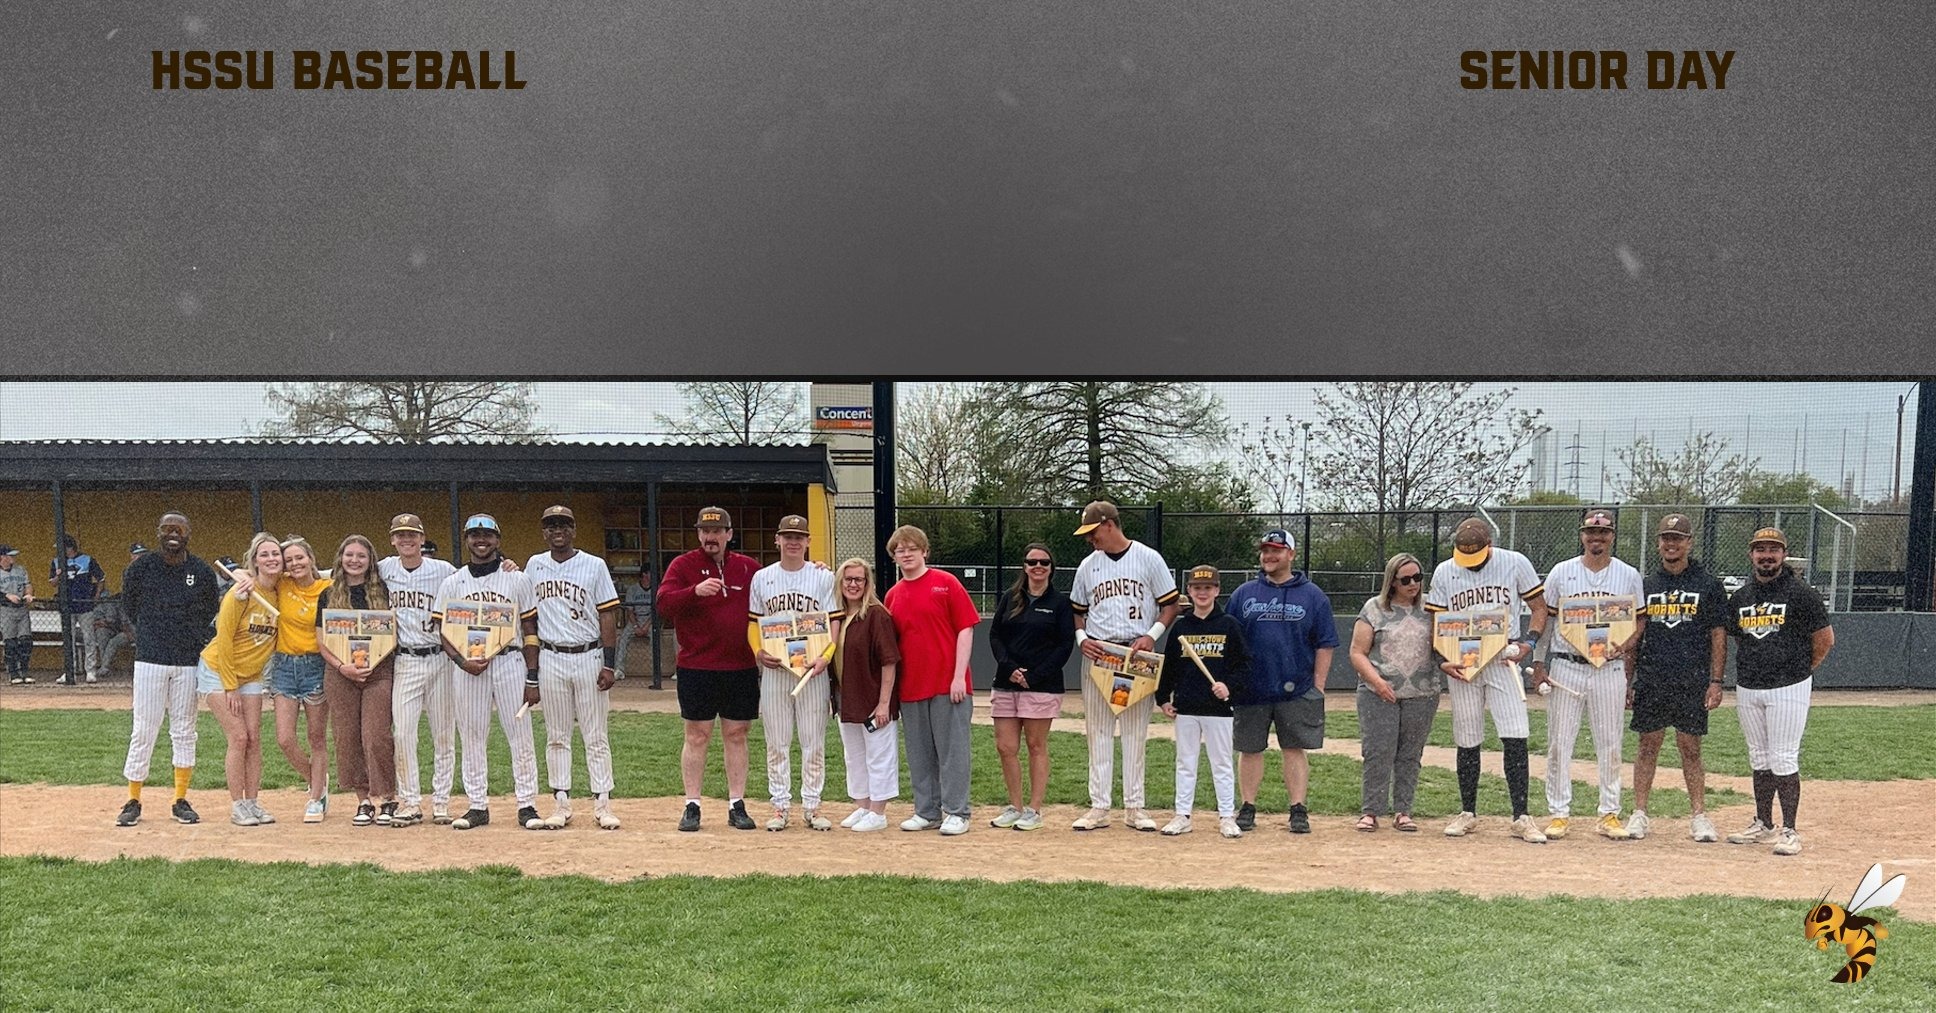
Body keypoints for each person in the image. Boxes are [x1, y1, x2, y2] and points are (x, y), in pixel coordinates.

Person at [1424, 517, 1549, 844]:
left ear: (1489, 545)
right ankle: (1468, 812)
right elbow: (1435, 620)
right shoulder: (1445, 571)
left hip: (1502, 657)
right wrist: (1442, 659)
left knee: (1515, 733)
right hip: (1462, 658)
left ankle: (1521, 816)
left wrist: (1529, 643)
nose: (1470, 563)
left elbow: (1539, 607)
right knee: (1467, 735)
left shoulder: (1514, 562)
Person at [1532, 509, 1645, 842]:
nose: (1597, 538)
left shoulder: (1627, 574)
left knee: (1610, 742)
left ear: (1612, 535)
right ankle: (1558, 813)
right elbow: (1547, 619)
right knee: (1559, 742)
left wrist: (1623, 650)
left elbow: (1639, 622)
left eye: (1604, 532)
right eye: (1590, 532)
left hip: (1609, 667)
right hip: (1567, 664)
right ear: (1582, 535)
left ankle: (1608, 812)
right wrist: (1540, 664)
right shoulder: (1562, 572)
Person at [1068, 501, 1180, 832]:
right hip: (1100, 652)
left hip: (1136, 651)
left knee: (1134, 733)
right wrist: (1080, 637)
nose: (1091, 540)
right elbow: (1077, 609)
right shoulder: (1088, 566)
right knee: (1098, 732)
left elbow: (1170, 604)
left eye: (1093, 532)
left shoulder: (1148, 558)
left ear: (1109, 525)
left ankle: (1135, 807)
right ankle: (1099, 807)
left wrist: (1152, 634)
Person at [1724, 526, 1834, 857]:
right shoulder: (1741, 597)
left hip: (1789, 685)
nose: (1767, 555)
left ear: (1784, 555)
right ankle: (1763, 822)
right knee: (1759, 757)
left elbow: (1825, 639)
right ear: (1751, 554)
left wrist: (1802, 669)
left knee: (1783, 757)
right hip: (1749, 685)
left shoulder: (1801, 593)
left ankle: (1790, 830)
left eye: (1773, 550)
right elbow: (1736, 637)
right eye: (1761, 549)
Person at [432, 514, 544, 832]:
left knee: (519, 734)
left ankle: (527, 804)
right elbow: (443, 631)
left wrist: (532, 675)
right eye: (474, 535)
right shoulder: (453, 582)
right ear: (466, 540)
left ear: (498, 539)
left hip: (509, 661)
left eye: (487, 535)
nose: (481, 540)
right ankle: (477, 805)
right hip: (469, 667)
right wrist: (460, 662)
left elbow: (530, 628)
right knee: (472, 735)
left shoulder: (517, 579)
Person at [657, 506, 762, 832]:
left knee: (736, 734)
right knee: (697, 735)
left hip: (740, 666)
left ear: (729, 534)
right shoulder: (683, 565)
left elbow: (778, 591)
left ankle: (736, 803)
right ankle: (692, 804)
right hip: (697, 666)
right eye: (704, 531)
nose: (710, 537)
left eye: (717, 531)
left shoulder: (748, 568)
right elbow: (662, 603)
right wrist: (693, 592)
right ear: (698, 533)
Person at [1227, 528, 1336, 835]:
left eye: (1276, 550)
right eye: (1265, 550)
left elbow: (1325, 644)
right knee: (1250, 749)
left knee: (1293, 749)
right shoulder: (1244, 594)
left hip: (1297, 688)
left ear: (1290, 554)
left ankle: (1298, 809)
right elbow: (1230, 639)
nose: (1269, 556)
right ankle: (1247, 806)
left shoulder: (1312, 596)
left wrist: (1319, 686)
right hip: (1251, 688)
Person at [1627, 513, 1728, 843]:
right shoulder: (1646, 585)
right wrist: (1628, 681)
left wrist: (1716, 681)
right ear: (1658, 543)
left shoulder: (1708, 584)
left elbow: (1718, 634)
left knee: (1690, 748)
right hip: (1653, 677)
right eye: (1665, 539)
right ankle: (1639, 812)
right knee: (1647, 745)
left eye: (1678, 538)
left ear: (1689, 542)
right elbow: (1634, 637)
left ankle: (1699, 815)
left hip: (1692, 678)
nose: (1671, 544)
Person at [116, 512, 220, 826]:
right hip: (150, 659)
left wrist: (191, 637)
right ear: (158, 532)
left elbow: (209, 608)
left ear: (189, 533)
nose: (173, 533)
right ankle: (133, 799)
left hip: (187, 661)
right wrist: (151, 633)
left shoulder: (201, 571)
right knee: (144, 729)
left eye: (180, 528)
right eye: (167, 528)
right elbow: (130, 606)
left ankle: (180, 799)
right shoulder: (142, 568)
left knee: (185, 730)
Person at [526, 505, 624, 831]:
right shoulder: (534, 565)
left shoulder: (594, 565)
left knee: (596, 735)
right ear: (543, 531)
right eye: (551, 525)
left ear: (574, 530)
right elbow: (527, 611)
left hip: (588, 653)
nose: (558, 530)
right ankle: (561, 803)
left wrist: (609, 664)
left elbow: (608, 615)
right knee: (557, 735)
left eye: (564, 525)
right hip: (551, 655)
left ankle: (602, 804)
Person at [881, 524, 979, 836]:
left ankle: (957, 812)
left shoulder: (945, 583)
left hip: (947, 685)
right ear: (894, 556)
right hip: (912, 687)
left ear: (925, 551)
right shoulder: (893, 595)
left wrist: (958, 677)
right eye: (900, 550)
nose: (906, 553)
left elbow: (966, 627)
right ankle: (927, 811)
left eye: (912, 548)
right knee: (920, 754)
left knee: (952, 752)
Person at [748, 514, 842, 831]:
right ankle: (780, 806)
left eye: (798, 536)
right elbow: (753, 624)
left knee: (813, 741)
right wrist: (758, 653)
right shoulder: (762, 577)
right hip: (776, 668)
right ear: (777, 539)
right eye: (787, 536)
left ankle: (812, 807)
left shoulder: (822, 577)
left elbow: (834, 621)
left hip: (811, 668)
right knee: (777, 741)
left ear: (808, 541)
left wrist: (826, 656)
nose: (792, 541)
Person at [1347, 552, 1441, 833]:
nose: (1413, 584)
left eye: (1418, 577)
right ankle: (1371, 811)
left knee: (1410, 754)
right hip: (1379, 693)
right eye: (1405, 580)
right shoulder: (1374, 609)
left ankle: (1403, 810)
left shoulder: (1431, 608)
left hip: (1422, 693)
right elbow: (1357, 652)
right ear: (1392, 582)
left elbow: (1442, 645)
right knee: (1378, 752)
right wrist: (1377, 682)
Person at [986, 542, 1074, 832]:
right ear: (1024, 566)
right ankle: (1015, 806)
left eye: (1044, 563)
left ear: (1051, 568)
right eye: (1032, 562)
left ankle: (1034, 810)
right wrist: (1010, 668)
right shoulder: (1010, 598)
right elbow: (995, 635)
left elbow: (1064, 646)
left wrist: (1034, 676)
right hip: (1006, 682)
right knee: (1005, 747)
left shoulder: (1060, 603)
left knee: (1036, 746)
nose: (1038, 567)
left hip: (1042, 685)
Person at [378, 513, 458, 826]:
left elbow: (477, 581)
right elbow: (341, 571)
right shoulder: (385, 568)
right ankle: (410, 801)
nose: (407, 540)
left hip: (440, 658)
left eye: (413, 534)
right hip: (405, 660)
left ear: (422, 539)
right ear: (393, 540)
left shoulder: (443, 570)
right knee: (404, 734)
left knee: (443, 734)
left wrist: (507, 565)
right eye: (401, 535)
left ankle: (441, 802)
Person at [1157, 564, 1247, 839]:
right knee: (1186, 762)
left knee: (1221, 763)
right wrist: (1163, 698)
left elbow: (1243, 665)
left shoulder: (1229, 625)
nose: (1202, 593)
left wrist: (1228, 686)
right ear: (1189, 591)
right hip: (1187, 707)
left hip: (1219, 709)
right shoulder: (1181, 627)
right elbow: (1169, 666)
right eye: (1197, 588)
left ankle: (1226, 816)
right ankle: (1182, 815)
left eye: (1208, 588)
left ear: (1217, 590)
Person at [198, 533, 282, 826]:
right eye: (265, 555)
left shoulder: (279, 590)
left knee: (255, 738)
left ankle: (253, 802)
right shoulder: (241, 593)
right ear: (255, 561)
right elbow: (223, 639)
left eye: (276, 554)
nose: (272, 559)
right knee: (239, 736)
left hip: (252, 674)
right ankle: (237, 805)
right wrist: (230, 686)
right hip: (219, 670)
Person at [247, 536, 333, 822]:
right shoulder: (283, 584)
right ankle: (317, 780)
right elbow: (247, 573)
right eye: (290, 560)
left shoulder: (327, 588)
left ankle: (315, 798)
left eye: (300, 558)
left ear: (310, 558)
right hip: (284, 665)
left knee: (316, 737)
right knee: (284, 738)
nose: (295, 564)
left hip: (316, 665)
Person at [315, 534, 398, 827]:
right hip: (341, 673)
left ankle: (388, 796)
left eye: (361, 556)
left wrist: (371, 662)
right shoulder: (328, 595)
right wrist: (342, 667)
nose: (354, 560)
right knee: (347, 737)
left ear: (370, 561)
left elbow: (391, 633)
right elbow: (321, 640)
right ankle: (363, 800)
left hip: (379, 670)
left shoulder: (382, 591)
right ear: (340, 558)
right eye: (349, 555)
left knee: (376, 735)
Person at [831, 557, 900, 832]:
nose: (853, 584)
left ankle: (879, 811)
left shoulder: (877, 615)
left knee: (879, 754)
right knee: (854, 755)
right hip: (847, 698)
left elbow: (889, 660)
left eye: (859, 579)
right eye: (848, 579)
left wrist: (884, 703)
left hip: (873, 698)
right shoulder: (838, 615)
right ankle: (862, 805)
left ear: (868, 583)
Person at [51, 534, 107, 684]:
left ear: (69, 548)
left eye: (61, 548)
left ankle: (90, 671)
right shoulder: (56, 562)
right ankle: (70, 670)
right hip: (66, 606)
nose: (58, 551)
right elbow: (53, 583)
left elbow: (101, 578)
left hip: (85, 606)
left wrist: (96, 595)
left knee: (89, 638)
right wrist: (58, 576)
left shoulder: (87, 560)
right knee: (68, 639)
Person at [614, 567, 655, 680]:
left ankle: (656, 669)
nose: (651, 577)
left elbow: (655, 612)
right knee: (623, 638)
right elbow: (630, 611)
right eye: (649, 574)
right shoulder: (633, 589)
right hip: (635, 620)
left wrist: (646, 626)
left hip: (650, 621)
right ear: (644, 575)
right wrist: (636, 626)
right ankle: (619, 669)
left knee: (656, 639)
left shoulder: (656, 589)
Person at [1, 544, 34, 685]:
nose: (13, 558)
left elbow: (28, 585)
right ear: (2, 557)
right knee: (11, 642)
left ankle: (25, 671)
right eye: (10, 555)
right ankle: (13, 673)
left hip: (21, 608)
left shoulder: (20, 570)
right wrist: (6, 595)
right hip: (5, 609)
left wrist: (29, 595)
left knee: (26, 640)